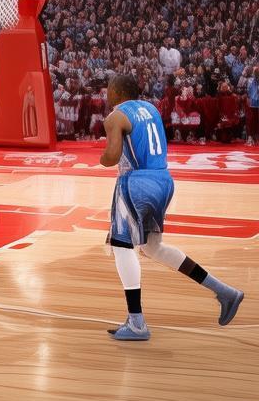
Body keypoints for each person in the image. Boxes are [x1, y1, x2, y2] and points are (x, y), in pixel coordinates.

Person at [100, 74, 245, 340]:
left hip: (136, 182)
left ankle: (137, 323)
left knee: (122, 246)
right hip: (164, 180)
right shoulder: (151, 109)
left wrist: (103, 155)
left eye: (109, 89)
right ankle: (225, 292)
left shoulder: (115, 116)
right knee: (153, 248)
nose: (107, 94)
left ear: (118, 92)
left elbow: (111, 157)